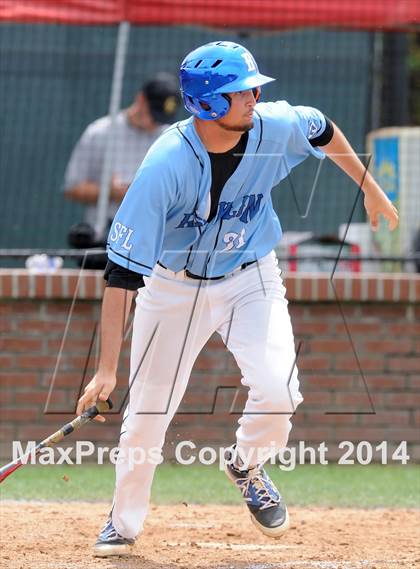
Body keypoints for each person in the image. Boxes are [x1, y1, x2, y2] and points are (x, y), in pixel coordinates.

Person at [76, 41, 399, 557]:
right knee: (147, 415)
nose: (252, 96)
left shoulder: (273, 125)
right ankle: (124, 521)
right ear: (205, 104)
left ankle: (246, 464)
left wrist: (372, 189)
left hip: (250, 275)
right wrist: (107, 370)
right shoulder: (164, 164)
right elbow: (120, 274)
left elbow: (321, 128)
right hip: (172, 287)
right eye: (238, 91)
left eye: (252, 87)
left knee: (279, 388)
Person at [63, 73, 181, 268]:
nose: (155, 122)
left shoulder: (170, 138)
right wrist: (108, 191)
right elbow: (72, 188)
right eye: (153, 114)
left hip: (153, 239)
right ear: (141, 100)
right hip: (105, 235)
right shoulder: (101, 132)